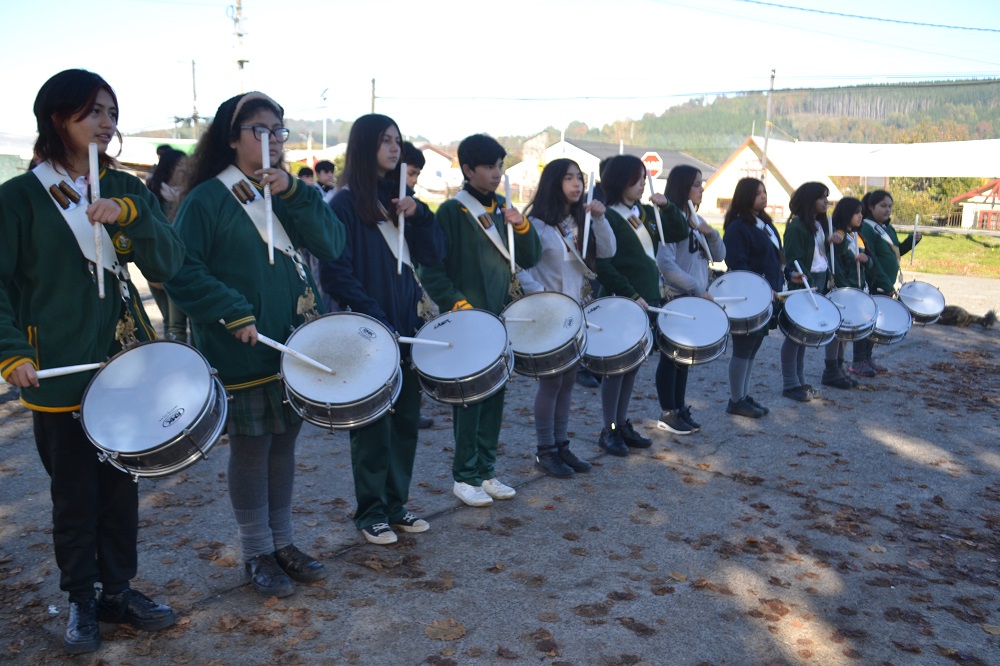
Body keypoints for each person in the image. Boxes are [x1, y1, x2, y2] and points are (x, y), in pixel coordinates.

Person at [0, 69, 183, 654]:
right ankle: (80, 597)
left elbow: (168, 265)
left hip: (125, 365)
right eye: (94, 112)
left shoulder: (125, 186)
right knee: (74, 494)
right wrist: (11, 351)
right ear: (59, 118)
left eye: (111, 112)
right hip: (57, 369)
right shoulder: (20, 197)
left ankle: (118, 592)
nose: (107, 123)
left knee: (120, 487)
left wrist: (133, 217)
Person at [164, 91, 344, 597]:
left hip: (295, 342)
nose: (271, 140)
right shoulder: (206, 199)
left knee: (285, 442)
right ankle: (255, 552)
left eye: (278, 130)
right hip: (243, 344)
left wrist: (295, 192)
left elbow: (332, 244)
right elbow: (180, 271)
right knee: (251, 448)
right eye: (258, 130)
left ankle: (283, 543)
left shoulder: (289, 190)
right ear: (231, 137)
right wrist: (231, 310)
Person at [319, 115, 445, 544]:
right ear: (363, 146)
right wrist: (375, 317)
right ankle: (370, 511)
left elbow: (434, 255)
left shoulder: (402, 200)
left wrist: (421, 215)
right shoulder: (343, 204)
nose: (394, 149)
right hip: (367, 330)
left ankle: (396, 504)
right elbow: (336, 274)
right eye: (385, 141)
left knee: (407, 418)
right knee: (372, 424)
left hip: (409, 327)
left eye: (397, 141)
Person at [417, 133, 542, 507]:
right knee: (468, 399)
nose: (495, 173)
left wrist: (520, 225)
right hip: (467, 319)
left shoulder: (504, 206)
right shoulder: (451, 213)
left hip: (501, 318)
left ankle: (486, 470)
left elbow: (531, 255)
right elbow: (432, 270)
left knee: (495, 395)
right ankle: (464, 475)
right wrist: (456, 303)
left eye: (500, 165)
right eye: (488, 166)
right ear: (468, 169)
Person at [517, 158, 614, 476]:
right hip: (548, 313)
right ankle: (545, 450)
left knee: (569, 380)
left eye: (579, 179)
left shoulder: (581, 219)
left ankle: (561, 446)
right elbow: (521, 268)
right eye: (568, 178)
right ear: (553, 182)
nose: (576, 184)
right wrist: (544, 298)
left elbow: (608, 251)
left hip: (576, 313)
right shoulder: (538, 224)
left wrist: (599, 220)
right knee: (551, 381)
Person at [594, 155, 688, 454]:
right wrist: (631, 294)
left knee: (632, 365)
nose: (642, 183)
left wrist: (667, 208)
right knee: (616, 368)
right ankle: (609, 428)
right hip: (622, 300)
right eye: (637, 178)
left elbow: (679, 232)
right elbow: (604, 266)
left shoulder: (647, 212)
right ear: (620, 180)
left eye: (644, 178)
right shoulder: (607, 215)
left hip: (648, 297)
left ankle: (621, 424)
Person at [655, 165, 725, 433]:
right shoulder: (670, 219)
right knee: (670, 357)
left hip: (696, 296)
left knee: (685, 358)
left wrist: (710, 232)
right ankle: (668, 411)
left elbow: (719, 255)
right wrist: (696, 287)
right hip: (678, 296)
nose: (701, 189)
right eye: (697, 184)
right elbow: (666, 264)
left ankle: (680, 406)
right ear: (683, 187)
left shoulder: (695, 218)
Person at [781, 181, 852, 401]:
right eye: (822, 197)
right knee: (795, 335)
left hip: (820, 280)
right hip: (804, 283)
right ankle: (790, 383)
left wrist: (838, 239)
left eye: (827, 197)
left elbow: (835, 251)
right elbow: (793, 260)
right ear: (809, 200)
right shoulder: (796, 227)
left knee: (805, 335)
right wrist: (804, 283)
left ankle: (800, 380)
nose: (826, 202)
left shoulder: (821, 225)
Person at [721, 178, 784, 418]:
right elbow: (737, 263)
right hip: (748, 296)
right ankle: (736, 399)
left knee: (753, 347)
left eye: (765, 191)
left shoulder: (764, 223)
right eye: (758, 193)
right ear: (745, 195)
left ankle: (743, 396)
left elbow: (776, 256)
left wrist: (788, 274)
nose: (763, 196)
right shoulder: (738, 227)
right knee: (743, 346)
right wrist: (760, 287)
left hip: (767, 294)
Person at [856, 189, 919, 375]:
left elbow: (895, 252)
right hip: (875, 282)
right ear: (871, 206)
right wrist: (884, 282)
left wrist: (911, 242)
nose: (887, 210)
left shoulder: (887, 228)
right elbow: (873, 257)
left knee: (876, 323)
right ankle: (858, 360)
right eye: (883, 206)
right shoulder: (867, 227)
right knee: (867, 322)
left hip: (886, 282)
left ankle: (868, 358)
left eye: (890, 206)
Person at [401, 141, 436, 430]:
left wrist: (421, 217)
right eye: (410, 173)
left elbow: (433, 253)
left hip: (408, 297)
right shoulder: (352, 202)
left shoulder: (414, 206)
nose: (413, 183)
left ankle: (410, 408)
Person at [146, 148, 190, 342]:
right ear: (170, 168)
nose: (185, 171)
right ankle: (175, 365)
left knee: (176, 324)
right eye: (181, 166)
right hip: (157, 264)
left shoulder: (191, 195)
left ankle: (186, 366)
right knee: (169, 321)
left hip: (181, 267)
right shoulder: (153, 193)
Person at [830, 196, 869, 384]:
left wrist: (866, 259)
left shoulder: (857, 235)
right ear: (846, 213)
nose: (860, 216)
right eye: (856, 212)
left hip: (858, 288)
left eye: (861, 212)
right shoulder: (841, 235)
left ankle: (841, 367)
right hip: (845, 290)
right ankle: (834, 368)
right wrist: (846, 289)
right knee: (840, 332)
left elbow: (869, 260)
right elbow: (837, 264)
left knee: (846, 334)